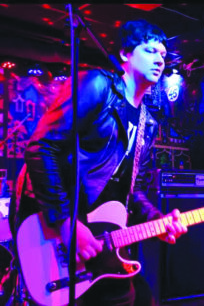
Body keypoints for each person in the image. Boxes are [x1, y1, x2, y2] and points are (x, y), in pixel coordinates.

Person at [11, 19, 187, 306]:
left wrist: (156, 218)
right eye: (150, 50)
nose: (159, 59)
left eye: (163, 54)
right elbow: (41, 147)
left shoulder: (148, 123)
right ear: (125, 55)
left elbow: (134, 190)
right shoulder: (98, 86)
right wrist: (67, 223)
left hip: (103, 235)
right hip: (57, 223)